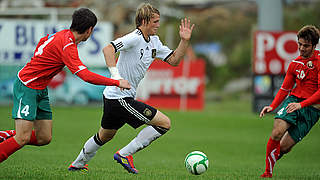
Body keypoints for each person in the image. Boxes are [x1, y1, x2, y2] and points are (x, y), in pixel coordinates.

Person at [68, 3, 195, 174]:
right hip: (120, 97)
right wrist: (116, 77)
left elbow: (174, 60)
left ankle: (77, 164)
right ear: (143, 21)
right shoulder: (134, 38)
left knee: (104, 136)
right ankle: (125, 154)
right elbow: (108, 49)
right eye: (155, 21)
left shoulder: (155, 42)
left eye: (159, 21)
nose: (158, 24)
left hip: (115, 97)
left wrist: (184, 41)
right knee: (164, 123)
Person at [0, 8, 131, 163]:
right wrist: (116, 82)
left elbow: (43, 41)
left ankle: (5, 136)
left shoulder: (62, 35)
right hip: (27, 86)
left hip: (40, 89)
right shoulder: (67, 46)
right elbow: (85, 76)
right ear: (89, 30)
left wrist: (39, 62)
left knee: (44, 137)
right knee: (22, 138)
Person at [259, 25, 320, 178]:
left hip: (312, 109)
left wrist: (302, 105)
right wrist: (272, 106)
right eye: (299, 44)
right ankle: (267, 173)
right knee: (277, 132)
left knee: (284, 148)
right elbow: (285, 89)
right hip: (293, 101)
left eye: (306, 45)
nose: (301, 48)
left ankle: (272, 161)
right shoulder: (295, 64)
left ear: (314, 45)